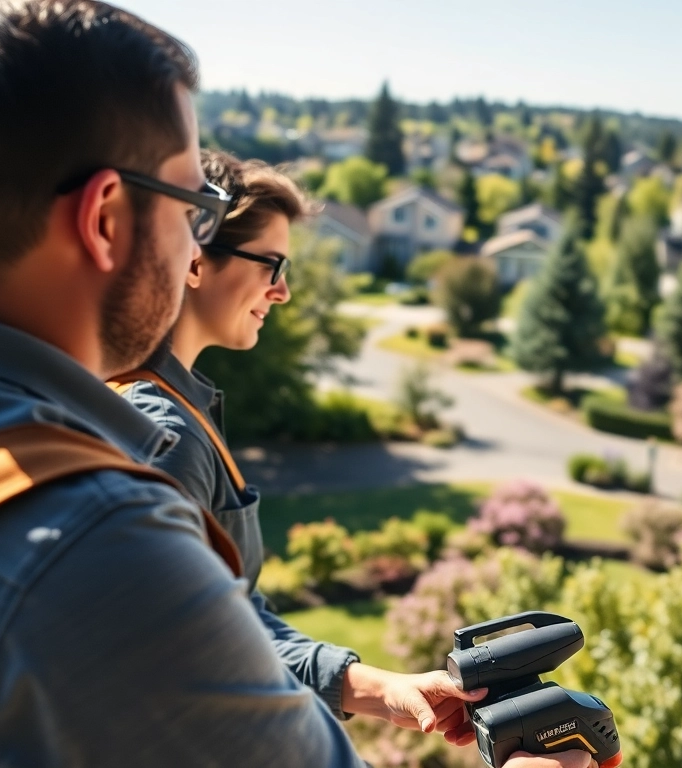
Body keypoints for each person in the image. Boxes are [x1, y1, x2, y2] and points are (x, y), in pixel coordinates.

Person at [0, 2, 592, 766]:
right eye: (195, 207)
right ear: (106, 218)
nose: (195, 245)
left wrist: (367, 686)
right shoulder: (91, 537)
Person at [111, 149, 484, 741]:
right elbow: (182, 666)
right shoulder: (166, 435)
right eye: (271, 265)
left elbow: (227, 621)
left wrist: (386, 690)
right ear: (194, 261)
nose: (282, 292)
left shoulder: (168, 404)